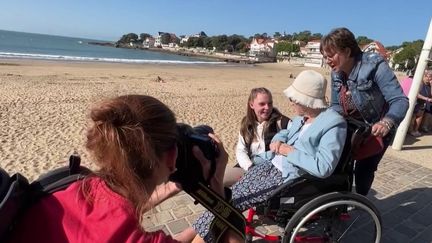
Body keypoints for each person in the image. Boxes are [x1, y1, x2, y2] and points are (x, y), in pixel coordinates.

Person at [8, 95, 241, 243]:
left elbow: (116, 210)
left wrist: (173, 187)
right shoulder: (128, 237)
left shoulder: (75, 185)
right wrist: (216, 188)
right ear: (171, 157)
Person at [177, 70, 347, 243]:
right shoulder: (303, 117)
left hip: (287, 179)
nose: (290, 101)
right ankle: (190, 235)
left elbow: (324, 167)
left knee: (231, 204)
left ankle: (194, 238)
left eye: (295, 98)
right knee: (228, 197)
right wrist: (278, 141)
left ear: (307, 100)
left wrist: (288, 151)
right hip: (269, 165)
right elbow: (286, 132)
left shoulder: (333, 123)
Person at [320, 27, 409, 196]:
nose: (327, 60)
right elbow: (336, 105)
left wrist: (386, 122)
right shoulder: (336, 72)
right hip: (351, 125)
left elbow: (399, 100)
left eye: (330, 55)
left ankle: (361, 200)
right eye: (325, 56)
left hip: (376, 128)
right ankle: (340, 205)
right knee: (339, 164)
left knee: (364, 170)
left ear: (347, 51)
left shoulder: (374, 65)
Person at [223, 87, 290, 186]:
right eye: (262, 104)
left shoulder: (282, 122)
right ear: (251, 105)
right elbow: (241, 150)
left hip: (271, 172)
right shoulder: (246, 124)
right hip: (249, 167)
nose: (267, 107)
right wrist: (250, 167)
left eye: (270, 103)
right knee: (221, 179)